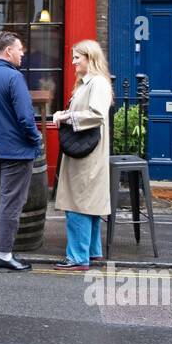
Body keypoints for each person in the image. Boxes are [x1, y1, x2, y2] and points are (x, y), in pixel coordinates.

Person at [0, 31, 42, 272]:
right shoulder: (14, 78)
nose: (22, 53)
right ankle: (4, 254)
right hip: (15, 151)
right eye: (20, 49)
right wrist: (36, 139)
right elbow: (25, 117)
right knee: (11, 202)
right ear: (9, 51)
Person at [53, 40, 114, 272]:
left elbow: (96, 115)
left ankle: (77, 258)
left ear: (91, 57)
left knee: (77, 202)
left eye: (77, 57)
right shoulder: (89, 83)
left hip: (86, 152)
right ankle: (92, 251)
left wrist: (65, 117)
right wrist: (66, 113)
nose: (73, 62)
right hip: (87, 150)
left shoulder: (96, 83)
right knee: (89, 202)